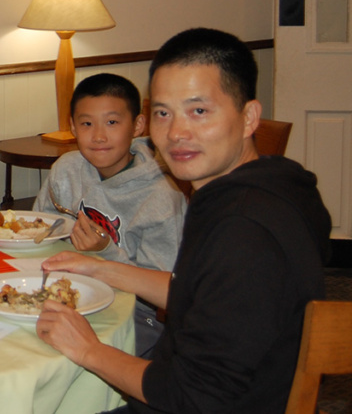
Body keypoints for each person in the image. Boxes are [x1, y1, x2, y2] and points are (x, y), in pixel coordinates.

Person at [35, 28, 331, 413]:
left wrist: (89, 349)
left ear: (249, 117)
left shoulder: (245, 231)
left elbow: (192, 395)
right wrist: (99, 269)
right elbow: (200, 293)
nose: (176, 133)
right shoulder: (267, 186)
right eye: (163, 113)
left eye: (199, 111)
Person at [33, 73, 186, 358]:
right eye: (87, 123)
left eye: (112, 122)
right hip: (66, 295)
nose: (99, 136)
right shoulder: (67, 169)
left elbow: (162, 291)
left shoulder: (161, 198)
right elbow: (40, 232)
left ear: (138, 125)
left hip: (136, 318)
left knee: (53, 356)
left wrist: (106, 251)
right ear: (72, 127)